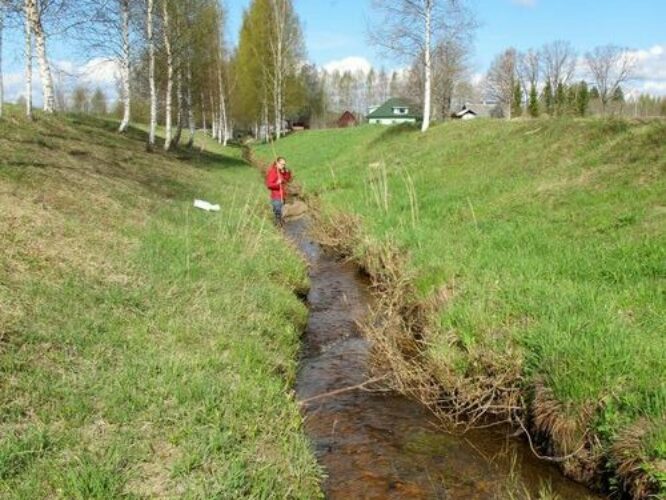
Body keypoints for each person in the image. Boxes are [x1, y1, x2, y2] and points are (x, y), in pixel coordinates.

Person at [265, 156, 292, 226]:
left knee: (281, 214)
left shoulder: (281, 171)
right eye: (282, 164)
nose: (283, 166)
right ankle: (278, 228)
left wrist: (288, 173)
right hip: (276, 196)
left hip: (283, 195)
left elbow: (287, 180)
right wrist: (277, 183)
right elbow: (269, 185)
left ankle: (282, 227)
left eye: (284, 164)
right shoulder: (273, 172)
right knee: (278, 212)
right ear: (277, 163)